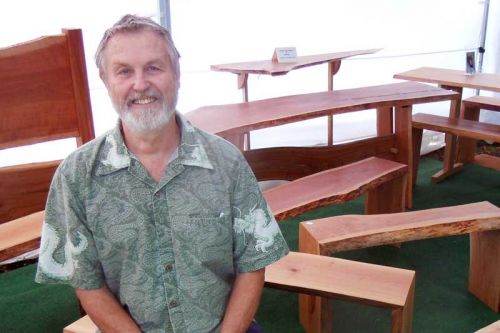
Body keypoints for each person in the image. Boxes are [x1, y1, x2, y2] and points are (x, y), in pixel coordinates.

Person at [35, 14, 289, 333]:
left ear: (177, 73)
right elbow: (87, 282)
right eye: (124, 71)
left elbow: (253, 265)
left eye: (154, 67)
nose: (140, 84)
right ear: (105, 79)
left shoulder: (227, 162)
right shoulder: (76, 176)